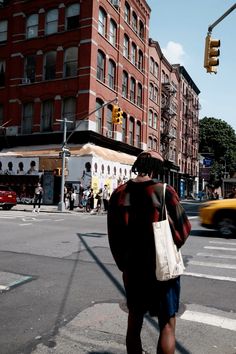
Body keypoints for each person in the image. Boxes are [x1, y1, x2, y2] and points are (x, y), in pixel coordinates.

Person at [107, 150, 191, 354]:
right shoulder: (164, 191)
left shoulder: (119, 192)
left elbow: (114, 236)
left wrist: (124, 264)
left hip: (133, 269)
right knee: (167, 323)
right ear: (155, 168)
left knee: (134, 320)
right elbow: (183, 229)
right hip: (162, 270)